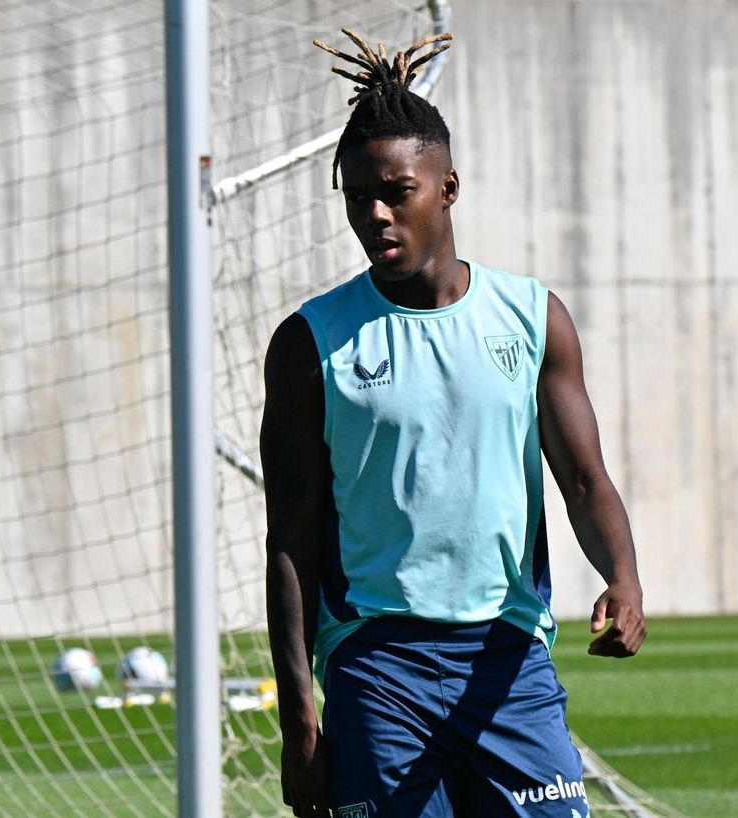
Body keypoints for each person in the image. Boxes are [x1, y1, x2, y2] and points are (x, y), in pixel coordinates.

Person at [260, 28, 646, 818]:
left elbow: (583, 480)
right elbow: (291, 538)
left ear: (447, 188)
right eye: (357, 196)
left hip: (509, 662)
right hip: (377, 665)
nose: (374, 215)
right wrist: (300, 724)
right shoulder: (310, 343)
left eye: (396, 191)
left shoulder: (534, 319)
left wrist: (624, 578)